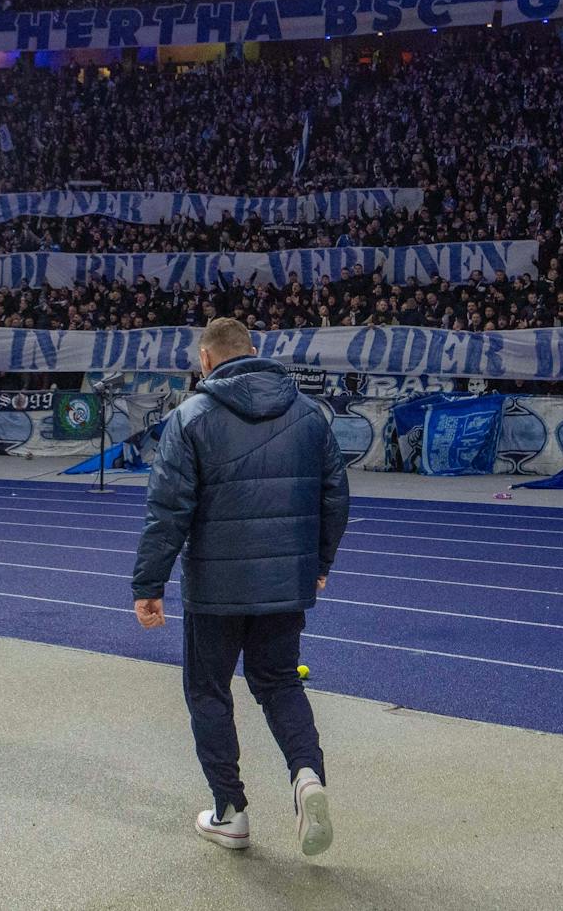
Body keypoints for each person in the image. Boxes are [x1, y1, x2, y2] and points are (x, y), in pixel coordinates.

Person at [131, 317, 350, 857]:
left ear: (205, 360)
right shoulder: (308, 415)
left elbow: (168, 511)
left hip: (216, 588)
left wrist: (149, 582)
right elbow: (336, 498)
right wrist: (319, 563)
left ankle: (230, 813)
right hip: (285, 582)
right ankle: (307, 777)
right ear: (256, 351)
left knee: (209, 690)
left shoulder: (191, 417)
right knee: (278, 683)